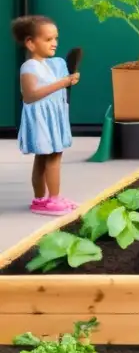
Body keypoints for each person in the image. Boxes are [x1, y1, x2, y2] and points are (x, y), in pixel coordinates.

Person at [12, 16, 79, 216]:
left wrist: (69, 79)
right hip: (41, 120)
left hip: (51, 118)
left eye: (55, 38)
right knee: (52, 155)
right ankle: (52, 199)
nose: (55, 43)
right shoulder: (29, 67)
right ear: (30, 43)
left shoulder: (51, 64)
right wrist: (63, 83)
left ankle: (41, 200)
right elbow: (30, 95)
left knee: (43, 157)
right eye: (48, 39)